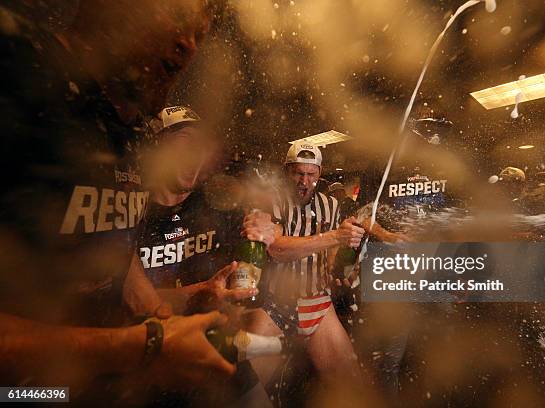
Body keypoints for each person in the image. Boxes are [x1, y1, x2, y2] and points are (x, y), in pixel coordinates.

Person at [0, 0, 246, 398]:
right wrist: (144, 346)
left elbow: (113, 280)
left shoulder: (129, 132)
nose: (190, 46)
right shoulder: (17, 67)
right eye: (179, 19)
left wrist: (184, 303)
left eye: (200, 35)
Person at [137, 104, 275, 406]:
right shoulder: (133, 212)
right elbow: (127, 299)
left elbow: (247, 273)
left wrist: (263, 234)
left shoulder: (215, 206)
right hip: (151, 358)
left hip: (216, 347)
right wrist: (199, 292)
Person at [243, 143, 365, 388]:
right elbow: (275, 248)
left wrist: (345, 264)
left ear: (319, 174)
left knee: (350, 385)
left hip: (318, 303)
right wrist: (335, 237)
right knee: (247, 388)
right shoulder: (271, 201)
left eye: (311, 175)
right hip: (275, 305)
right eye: (299, 173)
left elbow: (330, 255)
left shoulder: (330, 205)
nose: (304, 181)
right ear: (287, 171)